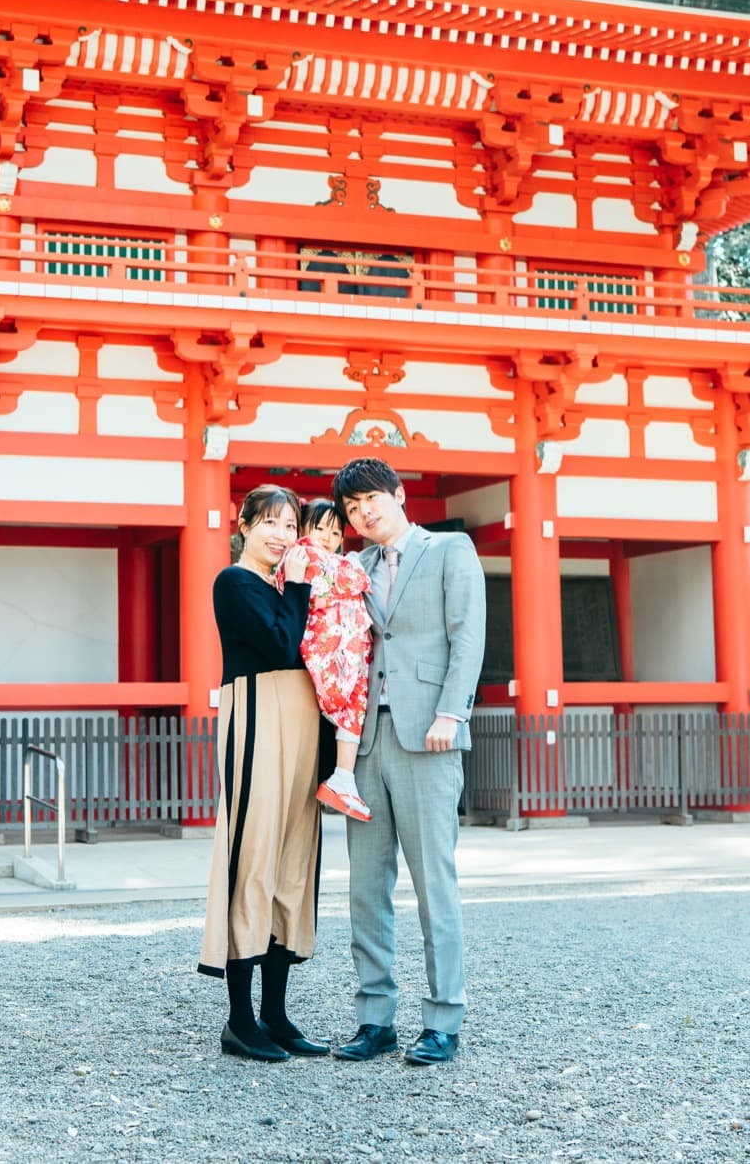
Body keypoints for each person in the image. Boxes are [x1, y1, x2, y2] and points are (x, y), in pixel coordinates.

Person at [329, 457, 485, 1067]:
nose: (362, 513)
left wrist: (454, 712)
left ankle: (444, 1019)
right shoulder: (353, 568)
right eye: (350, 508)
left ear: (396, 494)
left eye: (370, 499)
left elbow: (467, 635)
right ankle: (375, 1018)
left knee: (432, 884)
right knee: (366, 886)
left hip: (430, 736)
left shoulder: (450, 550)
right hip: (364, 744)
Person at [197, 484, 330, 1063]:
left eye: (290, 524)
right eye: (270, 523)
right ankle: (239, 1019)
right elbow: (281, 643)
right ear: (245, 525)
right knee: (253, 857)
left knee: (293, 864)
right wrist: (299, 585)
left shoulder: (287, 587)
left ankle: (276, 1014)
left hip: (303, 724)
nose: (281, 535)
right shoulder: (235, 583)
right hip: (255, 716)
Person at [277, 497, 373, 822]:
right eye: (320, 529)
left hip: (345, 648)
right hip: (325, 644)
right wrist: (358, 577)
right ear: (304, 528)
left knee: (355, 707)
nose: (328, 538)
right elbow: (346, 581)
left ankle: (343, 778)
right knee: (348, 703)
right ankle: (341, 777)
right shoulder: (303, 555)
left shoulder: (329, 559)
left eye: (335, 533)